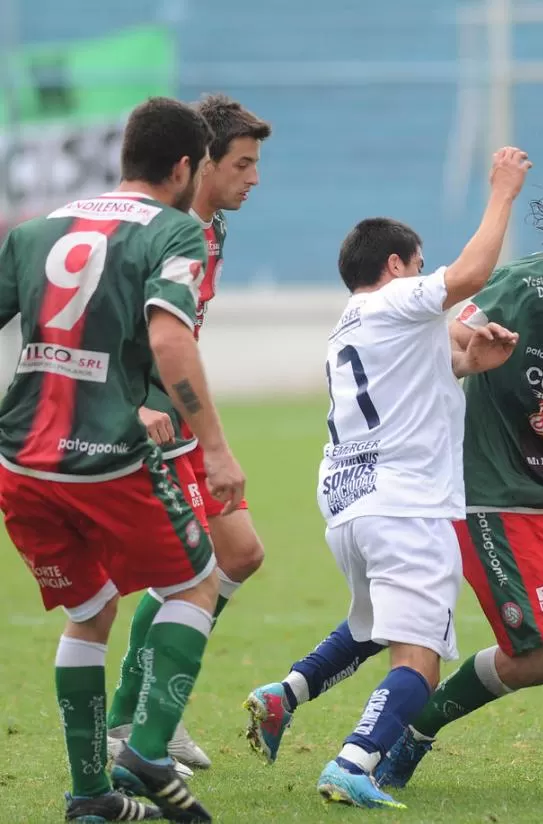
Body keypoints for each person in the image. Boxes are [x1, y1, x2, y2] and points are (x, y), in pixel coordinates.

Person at [244, 147, 531, 809]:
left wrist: (467, 362)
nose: (424, 277)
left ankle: (283, 694)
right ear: (396, 265)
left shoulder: (347, 325)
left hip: (348, 500)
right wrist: (503, 193)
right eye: (418, 265)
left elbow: (412, 383)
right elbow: (473, 272)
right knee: (420, 658)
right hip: (405, 502)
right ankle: (354, 761)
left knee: (374, 627)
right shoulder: (399, 296)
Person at [0, 97, 245, 823]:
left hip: (21, 461)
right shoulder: (176, 232)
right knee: (197, 586)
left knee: (91, 608)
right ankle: (145, 746)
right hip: (106, 458)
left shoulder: (41, 227)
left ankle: (89, 797)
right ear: (183, 167)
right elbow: (171, 341)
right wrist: (220, 449)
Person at [106, 93, 272, 772]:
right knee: (204, 564)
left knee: (238, 554)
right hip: (141, 424)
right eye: (241, 163)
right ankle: (134, 724)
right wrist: (133, 404)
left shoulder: (213, 230)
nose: (253, 177)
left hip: (175, 422)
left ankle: (140, 718)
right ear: (200, 164)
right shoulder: (156, 228)